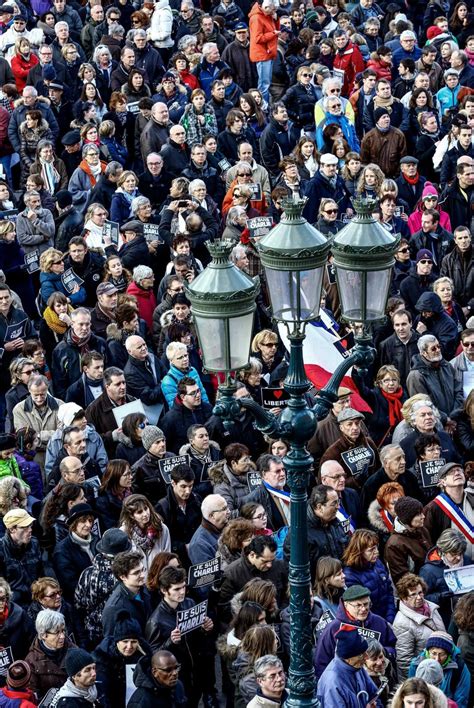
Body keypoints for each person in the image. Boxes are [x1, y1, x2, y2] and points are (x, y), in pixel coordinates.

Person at [314, 584, 396, 679]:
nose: (363, 609)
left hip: (378, 679)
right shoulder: (333, 628)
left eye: (366, 604)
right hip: (345, 682)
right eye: (358, 605)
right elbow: (321, 662)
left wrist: (381, 653)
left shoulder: (379, 622)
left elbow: (392, 648)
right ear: (346, 605)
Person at [94, 611, 153, 708]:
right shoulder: (103, 660)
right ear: (117, 641)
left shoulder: (145, 657)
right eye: (125, 641)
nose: (129, 646)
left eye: (133, 642)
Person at [393, 573, 446, 679]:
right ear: (404, 598)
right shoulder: (401, 623)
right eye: (413, 594)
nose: (419, 597)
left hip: (442, 666)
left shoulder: (431, 607)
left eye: (420, 592)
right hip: (426, 675)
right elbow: (405, 661)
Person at [317, 626, 378, 708]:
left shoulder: (357, 667)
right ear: (348, 658)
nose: (367, 657)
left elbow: (374, 695)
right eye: (361, 654)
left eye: (365, 652)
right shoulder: (332, 683)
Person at [342, 529, 396, 622]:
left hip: (388, 618)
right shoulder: (350, 576)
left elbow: (389, 592)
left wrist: (390, 617)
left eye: (376, 547)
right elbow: (360, 609)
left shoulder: (377, 563)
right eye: (371, 550)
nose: (377, 552)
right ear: (359, 552)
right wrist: (382, 624)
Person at [408, 631, 471, 708]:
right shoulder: (416, 665)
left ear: (449, 654)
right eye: (434, 653)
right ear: (427, 652)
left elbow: (461, 699)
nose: (437, 659)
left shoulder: (459, 668)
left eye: (442, 654)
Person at [25, 608, 74, 700]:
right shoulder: (31, 662)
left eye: (63, 630)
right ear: (43, 635)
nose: (62, 636)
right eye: (57, 633)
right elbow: (34, 696)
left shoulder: (73, 649)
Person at [384, 496, 432, 584]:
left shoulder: (422, 529)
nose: (423, 516)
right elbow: (402, 579)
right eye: (418, 514)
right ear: (407, 518)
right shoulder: (394, 544)